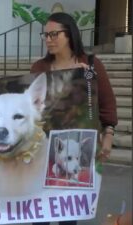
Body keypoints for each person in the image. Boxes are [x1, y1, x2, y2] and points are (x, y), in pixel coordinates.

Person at [30, 12, 118, 225]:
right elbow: (31, 106)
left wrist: (108, 135)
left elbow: (106, 103)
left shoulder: (90, 65)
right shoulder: (39, 68)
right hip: (44, 151)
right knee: (39, 215)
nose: (48, 39)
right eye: (46, 35)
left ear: (70, 35)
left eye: (54, 34)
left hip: (75, 147)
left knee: (68, 215)